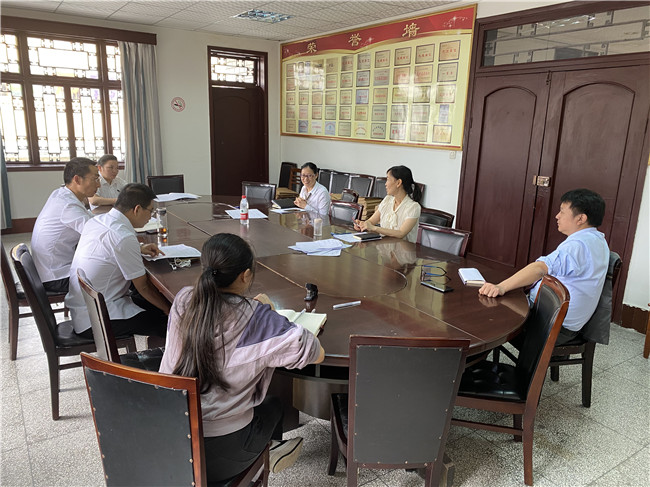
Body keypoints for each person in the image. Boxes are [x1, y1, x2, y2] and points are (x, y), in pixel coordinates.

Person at [159, 233, 325, 483]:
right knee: (273, 406)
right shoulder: (258, 319)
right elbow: (316, 353)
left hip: (169, 435)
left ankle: (269, 450)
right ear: (245, 275)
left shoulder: (184, 299)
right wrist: (271, 314)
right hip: (218, 454)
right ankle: (267, 453)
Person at [479, 188, 609, 344]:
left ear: (581, 218)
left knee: (489, 316)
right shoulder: (598, 239)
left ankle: (476, 356)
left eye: (562, 211)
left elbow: (540, 268)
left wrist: (501, 287)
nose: (557, 216)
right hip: (568, 323)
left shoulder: (578, 246)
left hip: (552, 326)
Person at [65, 183, 170, 339]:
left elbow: (109, 246)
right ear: (137, 209)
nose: (151, 216)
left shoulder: (97, 220)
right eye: (150, 211)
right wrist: (169, 309)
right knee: (167, 320)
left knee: (151, 303)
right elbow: (143, 287)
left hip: (84, 308)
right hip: (97, 319)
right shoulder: (123, 237)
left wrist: (139, 248)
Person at [31, 157, 100, 293]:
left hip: (52, 268)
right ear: (77, 179)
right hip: (56, 276)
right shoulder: (67, 205)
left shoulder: (62, 194)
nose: (99, 185)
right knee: (113, 273)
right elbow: (97, 234)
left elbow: (92, 220)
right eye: (95, 179)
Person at [354, 165, 422, 242]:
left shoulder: (414, 207)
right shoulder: (387, 200)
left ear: (398, 183)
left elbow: (401, 233)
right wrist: (362, 225)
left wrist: (374, 228)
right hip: (384, 246)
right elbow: (371, 221)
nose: (385, 184)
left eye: (388, 179)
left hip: (402, 248)